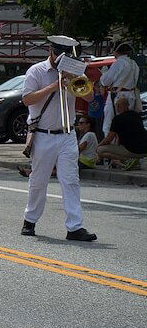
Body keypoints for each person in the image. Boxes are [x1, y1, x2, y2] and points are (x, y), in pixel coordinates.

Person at [20, 35, 97, 241]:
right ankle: (30, 220)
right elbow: (27, 99)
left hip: (67, 135)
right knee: (39, 180)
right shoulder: (36, 71)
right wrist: (53, 86)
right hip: (43, 134)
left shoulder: (74, 70)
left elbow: (89, 97)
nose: (61, 59)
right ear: (50, 51)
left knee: (71, 180)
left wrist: (75, 78)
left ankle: (74, 226)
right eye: (58, 55)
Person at [96, 96, 147, 170]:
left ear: (118, 106)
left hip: (132, 150)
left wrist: (97, 146)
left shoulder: (117, 119)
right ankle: (133, 161)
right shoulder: (136, 115)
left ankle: (128, 160)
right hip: (144, 149)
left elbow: (108, 139)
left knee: (100, 150)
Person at [100, 42, 140, 136]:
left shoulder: (119, 63)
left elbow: (106, 81)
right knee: (126, 124)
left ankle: (110, 147)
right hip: (131, 96)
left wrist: (104, 73)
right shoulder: (134, 64)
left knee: (109, 125)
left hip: (118, 96)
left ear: (115, 52)